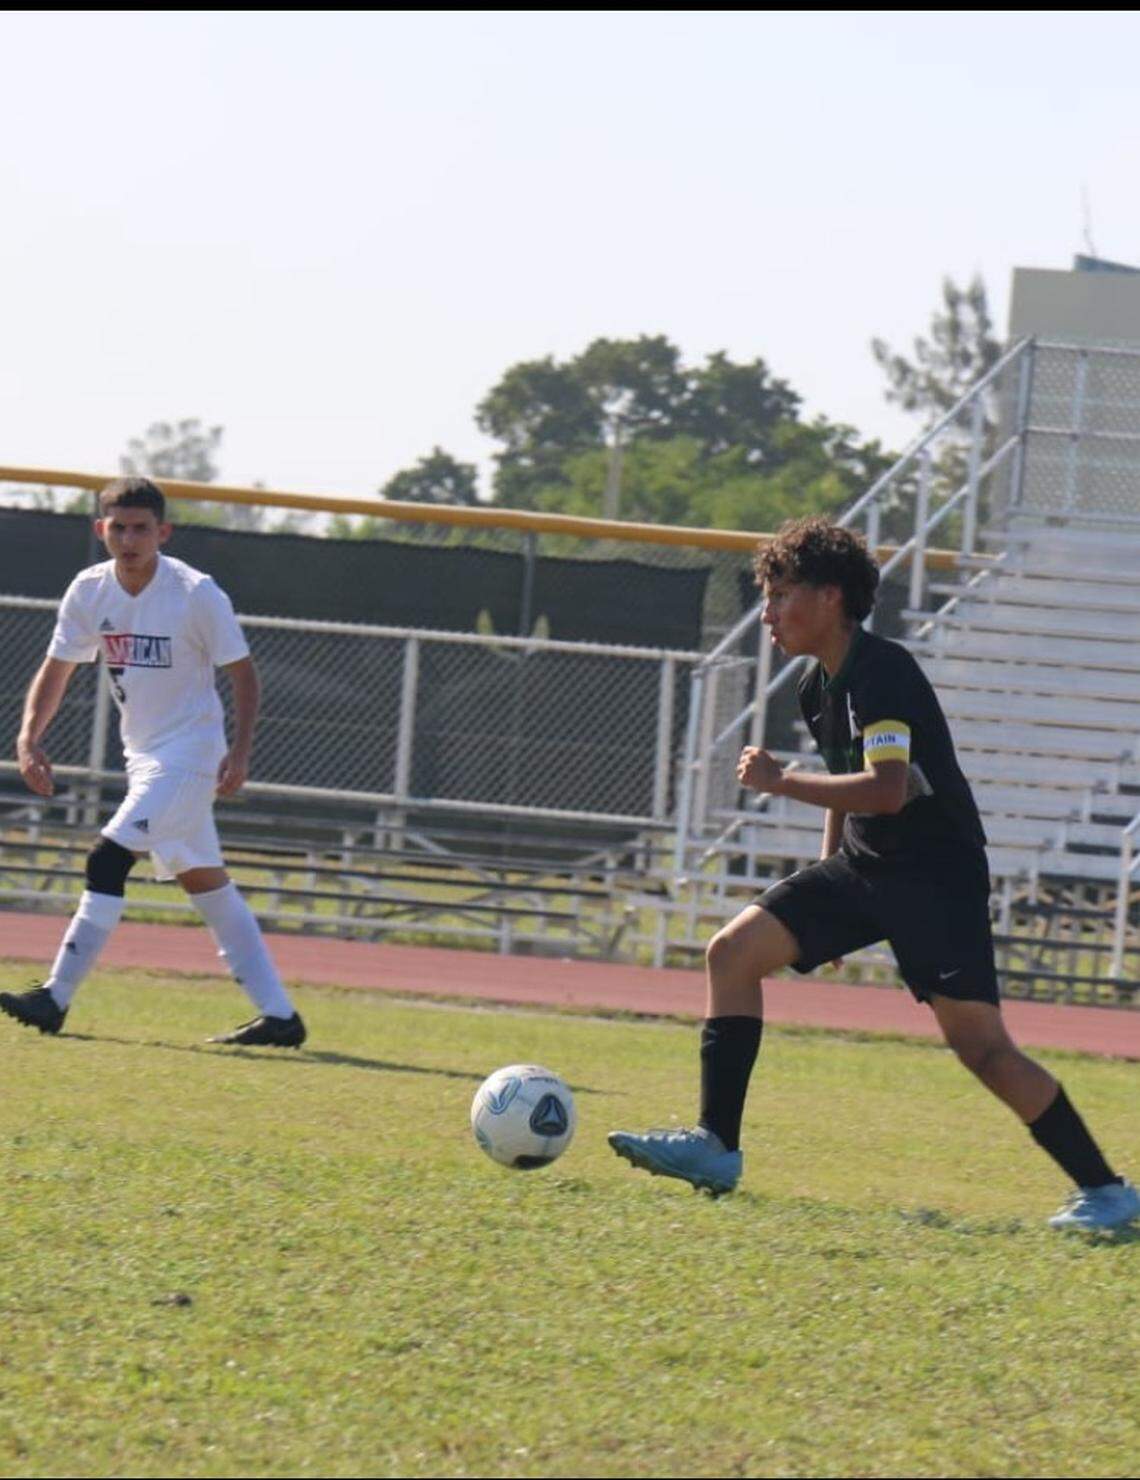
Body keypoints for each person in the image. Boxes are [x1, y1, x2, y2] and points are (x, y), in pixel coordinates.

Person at [610, 516, 1138, 1232]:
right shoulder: (815, 689)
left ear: (830, 598)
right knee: (731, 953)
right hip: (863, 866)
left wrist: (780, 781)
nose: (767, 612)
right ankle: (715, 1146)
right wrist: (822, 888)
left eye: (781, 594)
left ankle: (1106, 1192)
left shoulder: (882, 672)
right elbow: (853, 787)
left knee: (984, 1050)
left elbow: (886, 788)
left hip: (935, 880)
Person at [3, 477, 306, 1048]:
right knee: (207, 886)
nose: (129, 537)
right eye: (118, 527)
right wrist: (28, 738)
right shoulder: (89, 591)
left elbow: (243, 673)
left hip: (191, 756)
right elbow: (58, 667)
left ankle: (54, 997)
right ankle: (281, 1017)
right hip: (144, 760)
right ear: (101, 530)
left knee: (107, 859)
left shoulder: (195, 592)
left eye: (142, 527)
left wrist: (239, 752)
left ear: (163, 532)